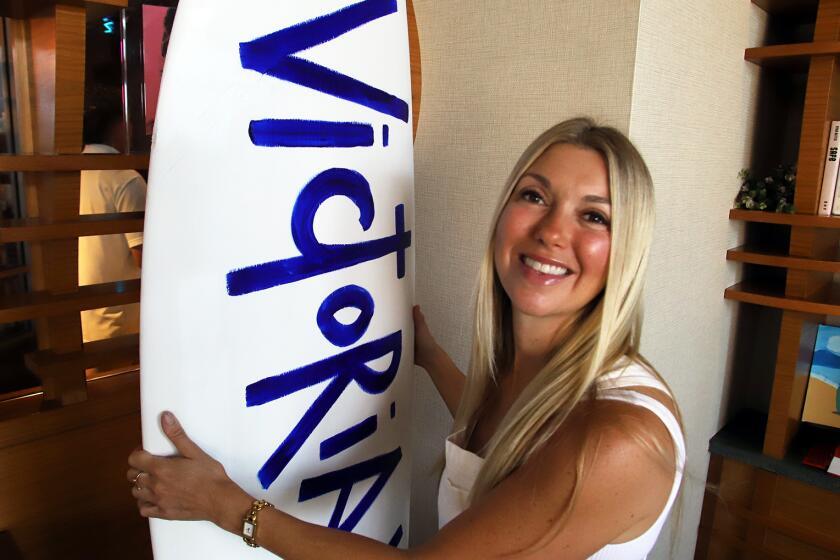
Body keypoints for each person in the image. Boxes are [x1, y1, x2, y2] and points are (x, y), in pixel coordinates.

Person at [127, 117, 684, 558]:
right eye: (535, 196)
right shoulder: (535, 370)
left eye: (595, 218)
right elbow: (501, 433)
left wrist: (227, 506)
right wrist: (431, 357)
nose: (552, 232)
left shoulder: (617, 442)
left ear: (627, 251)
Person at [79, 99, 147, 342]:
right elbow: (143, 258)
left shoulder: (73, 174)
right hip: (122, 319)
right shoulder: (124, 178)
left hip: (85, 316)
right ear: (119, 126)